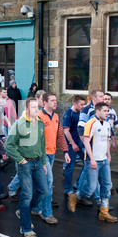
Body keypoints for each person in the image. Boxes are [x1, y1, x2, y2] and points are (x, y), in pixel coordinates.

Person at [5, 97, 48, 237]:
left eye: (38, 107)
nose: (38, 109)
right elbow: (8, 145)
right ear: (27, 109)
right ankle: (26, 227)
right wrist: (21, 160)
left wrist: (43, 163)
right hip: (25, 164)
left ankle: (24, 212)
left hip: (38, 163)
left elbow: (42, 144)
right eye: (34, 107)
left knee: (43, 191)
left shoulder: (40, 123)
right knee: (27, 195)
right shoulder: (19, 124)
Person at [68, 102, 117, 222]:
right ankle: (76, 197)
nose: (107, 113)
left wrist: (108, 155)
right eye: (105, 111)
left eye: (108, 111)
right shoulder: (91, 123)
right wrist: (92, 158)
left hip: (104, 159)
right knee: (90, 189)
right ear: (98, 111)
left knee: (107, 185)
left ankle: (104, 212)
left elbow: (106, 140)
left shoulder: (106, 124)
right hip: (92, 160)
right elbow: (86, 141)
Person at [35, 92, 70, 224]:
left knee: (42, 184)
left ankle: (35, 207)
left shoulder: (55, 116)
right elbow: (36, 139)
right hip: (41, 155)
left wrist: (65, 151)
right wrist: (42, 160)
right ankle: (47, 213)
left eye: (56, 100)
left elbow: (60, 135)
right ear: (44, 103)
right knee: (49, 182)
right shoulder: (38, 116)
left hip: (52, 153)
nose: (55, 102)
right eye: (52, 100)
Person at [63, 95, 86, 196]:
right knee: (70, 167)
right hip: (71, 145)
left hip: (80, 144)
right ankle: (67, 189)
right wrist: (72, 144)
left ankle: (77, 183)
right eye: (81, 104)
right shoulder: (69, 114)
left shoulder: (81, 113)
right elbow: (66, 131)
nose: (83, 106)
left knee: (87, 163)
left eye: (84, 104)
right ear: (75, 103)